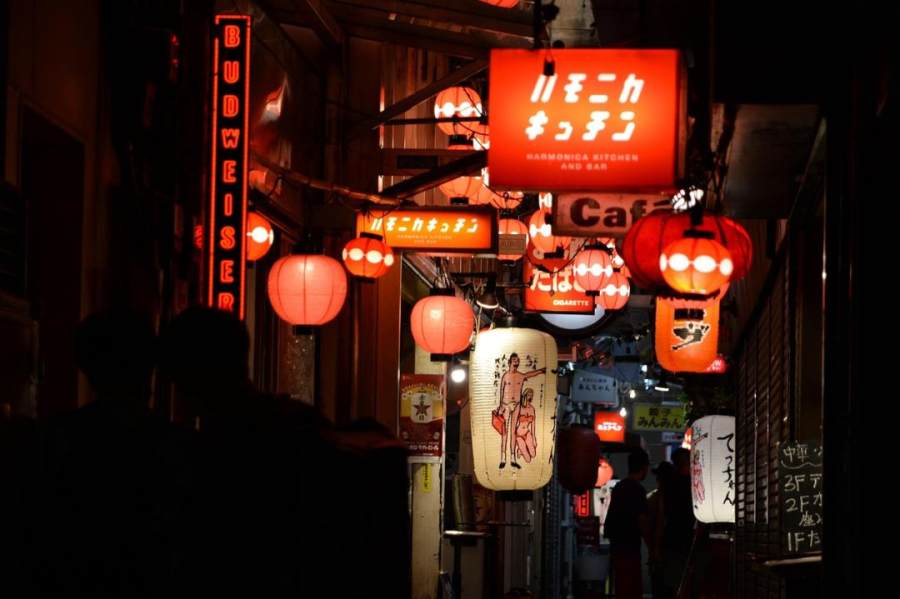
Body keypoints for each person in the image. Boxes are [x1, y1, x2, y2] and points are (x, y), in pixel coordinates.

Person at [604, 448, 651, 599]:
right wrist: (651, 545)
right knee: (631, 586)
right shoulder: (638, 490)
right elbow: (642, 520)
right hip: (630, 545)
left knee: (621, 585)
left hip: (617, 544)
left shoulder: (619, 487)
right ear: (644, 468)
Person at [496, 354, 544, 469]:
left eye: (517, 360)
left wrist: (541, 371)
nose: (516, 362)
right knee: (505, 432)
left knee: (513, 431)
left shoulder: (520, 376)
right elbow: (501, 391)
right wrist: (502, 406)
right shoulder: (505, 376)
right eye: (514, 360)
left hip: (517, 405)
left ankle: (513, 458)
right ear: (509, 362)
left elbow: (530, 374)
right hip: (507, 404)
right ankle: (503, 457)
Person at [661, 448, 697, 598]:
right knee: (691, 585)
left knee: (675, 585)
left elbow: (661, 515)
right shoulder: (696, 483)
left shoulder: (668, 485)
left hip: (672, 538)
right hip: (692, 539)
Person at [648, 461, 676, 599]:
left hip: (663, 550)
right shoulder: (676, 496)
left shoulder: (656, 497)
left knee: (661, 588)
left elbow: (657, 524)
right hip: (674, 550)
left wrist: (655, 549)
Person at [513, 387, 537, 464]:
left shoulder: (532, 409)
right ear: (525, 395)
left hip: (527, 433)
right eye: (529, 395)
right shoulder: (519, 407)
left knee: (533, 455)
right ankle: (521, 449)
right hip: (519, 435)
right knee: (528, 460)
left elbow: (533, 425)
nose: (530, 397)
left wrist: (534, 438)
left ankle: (521, 450)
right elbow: (513, 423)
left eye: (531, 395)